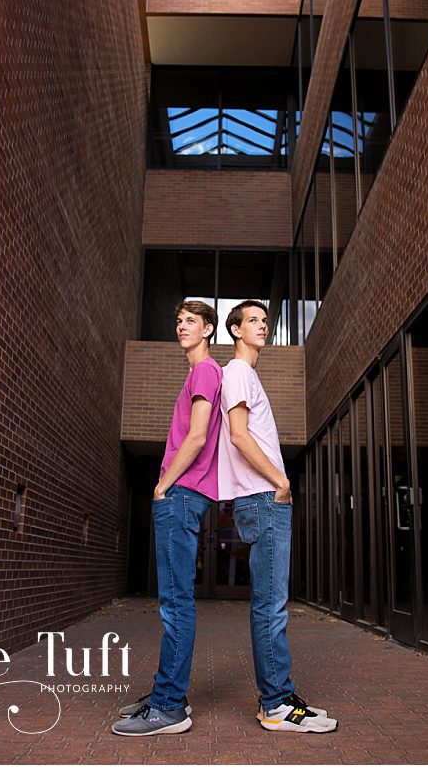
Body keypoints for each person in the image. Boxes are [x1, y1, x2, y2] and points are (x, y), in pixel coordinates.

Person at [215, 301, 336, 733]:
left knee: (272, 604)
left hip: (264, 498)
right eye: (253, 321)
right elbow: (238, 434)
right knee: (270, 607)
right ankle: (276, 705)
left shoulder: (247, 374)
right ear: (234, 330)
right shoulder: (238, 373)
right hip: (265, 497)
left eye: (266, 321)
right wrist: (279, 483)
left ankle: (280, 697)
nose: (263, 326)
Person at [113, 300, 225, 737]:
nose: (181, 327)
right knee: (173, 603)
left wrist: (163, 486)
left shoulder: (205, 371)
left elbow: (197, 437)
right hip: (181, 495)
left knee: (175, 604)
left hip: (179, 495)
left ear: (208, 329)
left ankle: (170, 707)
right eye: (178, 321)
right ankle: (165, 692)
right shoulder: (200, 373)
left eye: (190, 322)